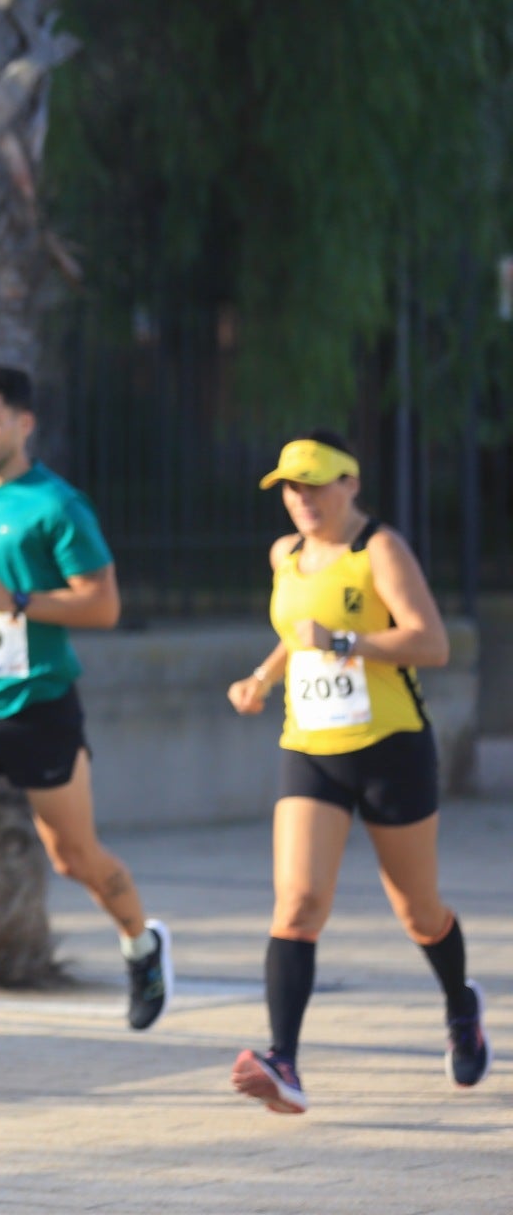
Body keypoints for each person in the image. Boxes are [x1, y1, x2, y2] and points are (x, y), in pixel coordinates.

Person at [0, 365, 172, 1064]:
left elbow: (103, 605)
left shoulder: (59, 506)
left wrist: (20, 600)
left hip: (40, 705)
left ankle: (142, 942)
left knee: (74, 855)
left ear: (25, 424)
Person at [224, 431, 490, 1113]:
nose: (303, 498)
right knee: (298, 903)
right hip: (310, 746)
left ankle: (461, 1005)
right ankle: (283, 1060)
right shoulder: (285, 555)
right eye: (290, 486)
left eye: (315, 484)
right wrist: (261, 677)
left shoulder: (380, 550)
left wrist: (345, 642)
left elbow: (430, 641)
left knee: (417, 910)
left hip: (390, 747)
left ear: (351, 483)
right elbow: (295, 632)